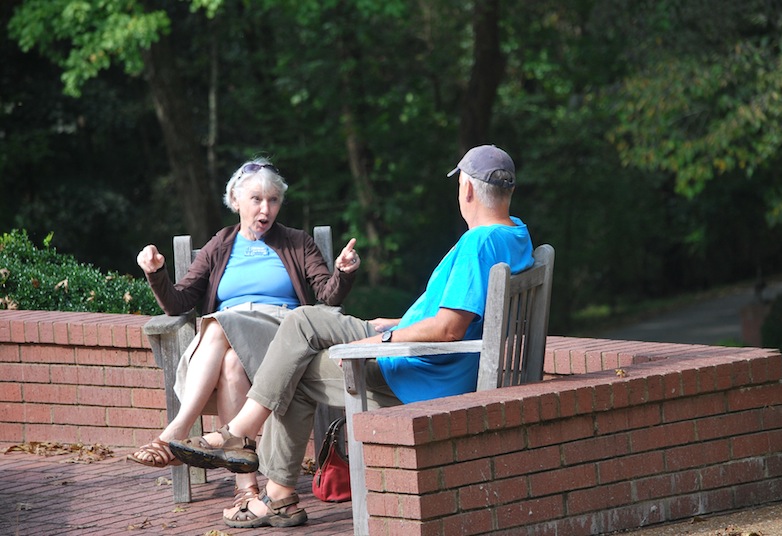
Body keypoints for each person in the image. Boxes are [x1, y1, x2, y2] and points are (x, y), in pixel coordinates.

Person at [169, 145, 535, 529]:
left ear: (468, 191)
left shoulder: (479, 242)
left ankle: (259, 468)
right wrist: (393, 324)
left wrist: (380, 342)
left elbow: (448, 329)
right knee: (305, 322)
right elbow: (457, 316)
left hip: (417, 372)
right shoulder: (516, 234)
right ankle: (251, 454)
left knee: (296, 363)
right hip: (420, 352)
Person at [127, 157, 361, 513]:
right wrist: (156, 273)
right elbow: (180, 303)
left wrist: (343, 273)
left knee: (220, 322)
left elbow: (325, 297)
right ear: (235, 200)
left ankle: (175, 433)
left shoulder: (297, 243)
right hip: (227, 343)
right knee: (232, 362)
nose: (265, 209)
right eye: (256, 199)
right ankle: (247, 489)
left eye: (273, 201)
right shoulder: (219, 245)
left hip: (281, 334)